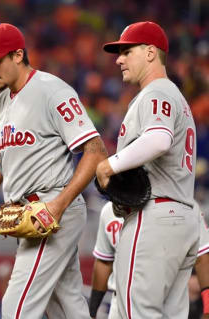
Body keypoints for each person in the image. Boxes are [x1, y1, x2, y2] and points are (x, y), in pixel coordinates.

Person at [0, 23, 108, 319]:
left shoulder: (52, 90)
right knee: (68, 307)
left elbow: (95, 152)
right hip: (29, 214)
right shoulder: (0, 103)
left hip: (52, 207)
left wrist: (57, 206)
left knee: (17, 307)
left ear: (17, 55)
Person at [96, 21, 199, 318]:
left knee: (134, 314)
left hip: (155, 218)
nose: (119, 59)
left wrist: (109, 164)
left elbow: (158, 139)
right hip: (181, 217)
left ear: (151, 52)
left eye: (127, 51)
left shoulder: (157, 92)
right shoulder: (175, 97)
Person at [89, 202, 209, 319]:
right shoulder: (110, 210)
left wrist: (208, 309)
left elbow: (202, 259)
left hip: (168, 305)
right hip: (120, 305)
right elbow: (104, 262)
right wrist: (92, 312)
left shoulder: (187, 208)